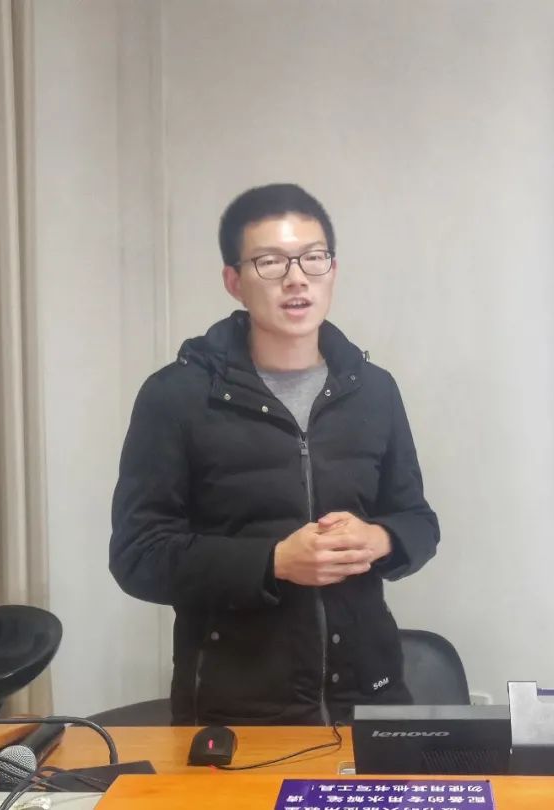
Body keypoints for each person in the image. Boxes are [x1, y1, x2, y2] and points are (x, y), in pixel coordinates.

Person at [109, 183, 440, 725]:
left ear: (333, 270)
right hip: (237, 709)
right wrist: (274, 563)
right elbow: (138, 556)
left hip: (369, 700)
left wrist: (380, 539)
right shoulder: (177, 397)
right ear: (233, 281)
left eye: (313, 258)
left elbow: (418, 520)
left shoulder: (374, 389)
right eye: (270, 262)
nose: (296, 278)